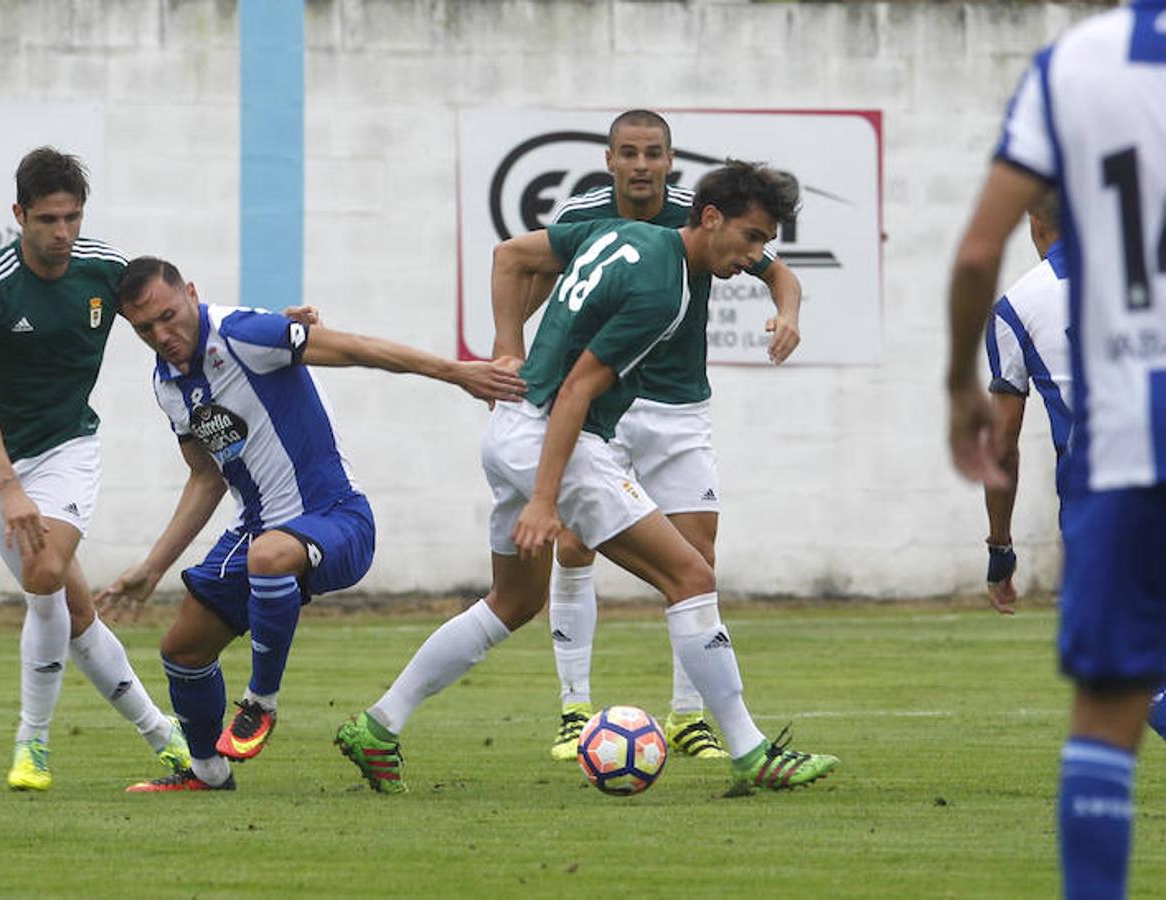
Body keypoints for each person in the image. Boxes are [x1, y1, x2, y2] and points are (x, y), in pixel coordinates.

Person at [336, 162, 839, 796]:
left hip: (510, 428)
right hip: (552, 437)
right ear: (710, 218)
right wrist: (547, 501)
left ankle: (378, 726)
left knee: (514, 602)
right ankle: (750, 751)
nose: (755, 256)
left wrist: (507, 346)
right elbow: (577, 389)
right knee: (691, 575)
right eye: (752, 237)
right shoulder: (665, 291)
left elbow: (513, 257)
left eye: (765, 244)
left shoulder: (611, 233)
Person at [95, 256, 525, 792]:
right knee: (182, 650)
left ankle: (260, 704)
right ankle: (207, 773)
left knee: (270, 556)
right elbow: (205, 479)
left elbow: (358, 349)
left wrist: (455, 372)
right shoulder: (167, 384)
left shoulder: (245, 332)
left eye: (168, 316)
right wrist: (152, 567)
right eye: (144, 329)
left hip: (336, 518)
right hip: (256, 534)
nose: (163, 334)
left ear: (191, 292)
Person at [946, 6, 1166, 895]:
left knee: (1112, 703)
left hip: (1118, 464)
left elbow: (971, 258)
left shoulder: (1080, 60)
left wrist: (953, 388)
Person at [507, 109, 805, 761]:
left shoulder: (703, 215)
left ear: (671, 163)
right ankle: (573, 708)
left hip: (679, 410)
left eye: (654, 154)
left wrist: (787, 313)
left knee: (697, 560)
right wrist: (510, 351)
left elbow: (777, 271)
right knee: (576, 545)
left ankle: (688, 718)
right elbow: (530, 268)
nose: (642, 165)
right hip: (608, 408)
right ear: (609, 160)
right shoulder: (590, 213)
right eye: (629, 153)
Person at [0, 148, 187, 792]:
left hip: (69, 447)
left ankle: (33, 744)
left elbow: (182, 315)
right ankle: (164, 735)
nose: (61, 233)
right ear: (19, 213)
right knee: (73, 612)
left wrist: (281, 331)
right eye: (48, 219)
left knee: (45, 568)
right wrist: (10, 488)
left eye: (72, 218)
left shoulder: (106, 271)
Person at [981, 191, 1070, 616]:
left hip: (1098, 478)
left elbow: (1001, 444)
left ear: (1036, 224)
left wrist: (1001, 548)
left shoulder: (1016, 308)